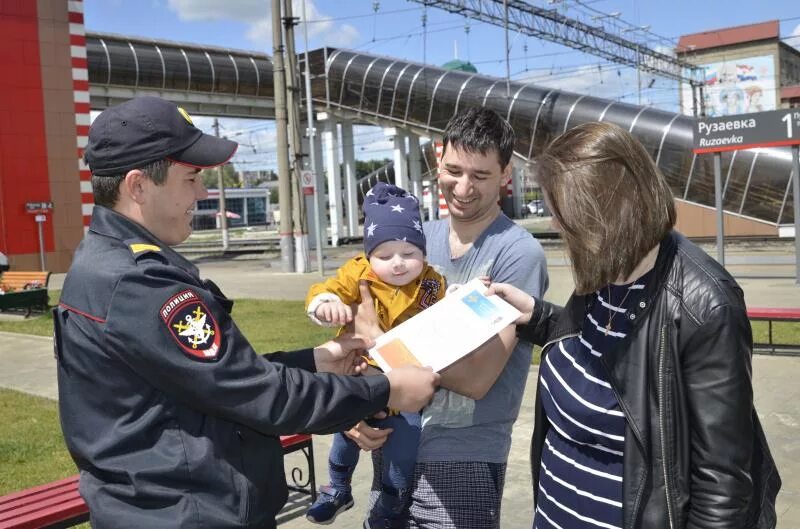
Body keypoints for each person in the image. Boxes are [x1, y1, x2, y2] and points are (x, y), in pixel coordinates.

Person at [54, 95, 440, 529]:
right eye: (192, 178)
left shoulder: (113, 264)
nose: (203, 193)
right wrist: (386, 390)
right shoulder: (140, 284)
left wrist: (315, 361)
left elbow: (207, 381)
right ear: (138, 186)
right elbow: (258, 395)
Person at [486, 121, 781, 529]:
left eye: (564, 213)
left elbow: (723, 486)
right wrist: (535, 316)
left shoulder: (704, 304)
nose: (557, 224)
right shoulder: (607, 264)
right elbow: (603, 350)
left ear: (606, 210)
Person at [349, 107, 549, 529]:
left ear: (505, 174)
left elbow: (478, 378)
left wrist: (379, 341)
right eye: (453, 171)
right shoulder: (414, 242)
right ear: (437, 162)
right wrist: (356, 413)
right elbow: (359, 330)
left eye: (480, 175)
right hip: (392, 443)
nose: (462, 187)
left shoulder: (516, 253)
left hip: (465, 459)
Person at [305, 182, 447, 528]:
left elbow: (443, 321)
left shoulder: (431, 283)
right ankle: (338, 488)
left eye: (409, 253)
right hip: (360, 374)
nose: (398, 264)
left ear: (424, 253)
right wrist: (326, 305)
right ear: (369, 255)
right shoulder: (359, 273)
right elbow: (325, 290)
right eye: (384, 255)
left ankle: (391, 506)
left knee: (404, 447)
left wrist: (457, 302)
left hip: (404, 384)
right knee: (344, 433)